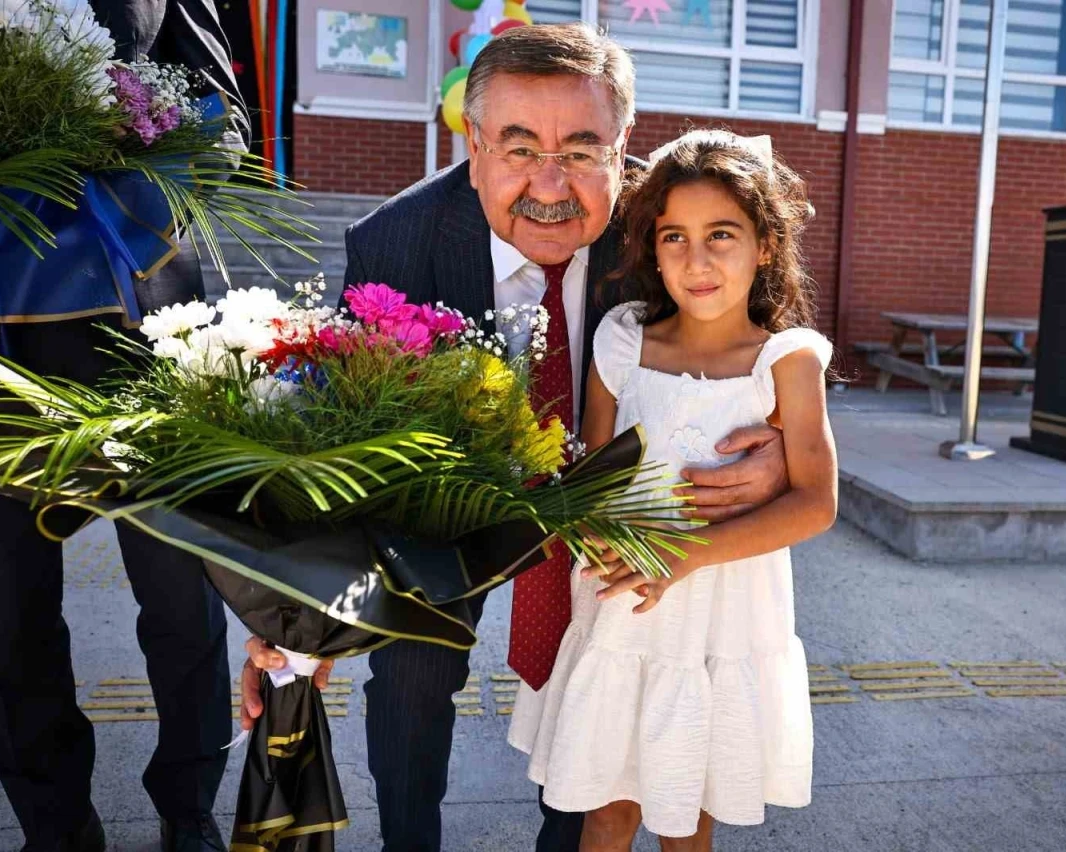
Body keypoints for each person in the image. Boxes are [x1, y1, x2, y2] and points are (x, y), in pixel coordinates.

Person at [238, 24, 793, 852]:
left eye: (581, 150)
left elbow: (769, 332)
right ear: (473, 146)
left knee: (598, 666)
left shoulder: (670, 227)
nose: (549, 184)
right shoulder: (396, 244)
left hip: (603, 495)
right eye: (520, 147)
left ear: (623, 148)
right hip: (447, 494)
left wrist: (780, 435)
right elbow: (344, 444)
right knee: (414, 666)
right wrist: (296, 617)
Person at [508, 129, 839, 851]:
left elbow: (816, 502)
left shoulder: (786, 362)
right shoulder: (624, 341)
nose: (697, 260)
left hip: (721, 620)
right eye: (674, 238)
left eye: (721, 235)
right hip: (623, 610)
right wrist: (589, 528)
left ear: (765, 245)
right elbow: (590, 474)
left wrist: (683, 555)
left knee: (687, 816)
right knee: (606, 811)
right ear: (653, 251)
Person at [0, 1, 246, 851]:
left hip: (144, 324)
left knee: (181, 596)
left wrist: (136, 176)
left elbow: (224, 119)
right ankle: (55, 824)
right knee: (5, 611)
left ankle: (188, 806)